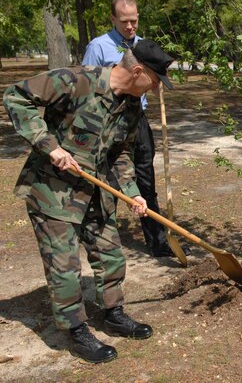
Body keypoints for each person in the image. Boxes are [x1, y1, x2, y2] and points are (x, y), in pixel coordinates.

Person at [3, 39, 175, 363]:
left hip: (96, 191)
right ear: (138, 71)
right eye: (154, 82)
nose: (155, 90)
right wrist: (49, 145)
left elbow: (121, 154)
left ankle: (114, 313)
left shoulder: (131, 108)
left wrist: (132, 192)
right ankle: (77, 330)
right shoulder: (76, 81)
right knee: (64, 268)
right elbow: (16, 96)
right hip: (52, 192)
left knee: (111, 255)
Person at [82, 0, 184, 258]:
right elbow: (89, 85)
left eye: (134, 21)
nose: (130, 27)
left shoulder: (142, 45)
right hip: (109, 124)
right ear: (113, 18)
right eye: (125, 21)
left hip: (138, 121)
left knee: (146, 180)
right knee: (111, 180)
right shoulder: (99, 46)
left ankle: (158, 241)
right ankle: (105, 240)